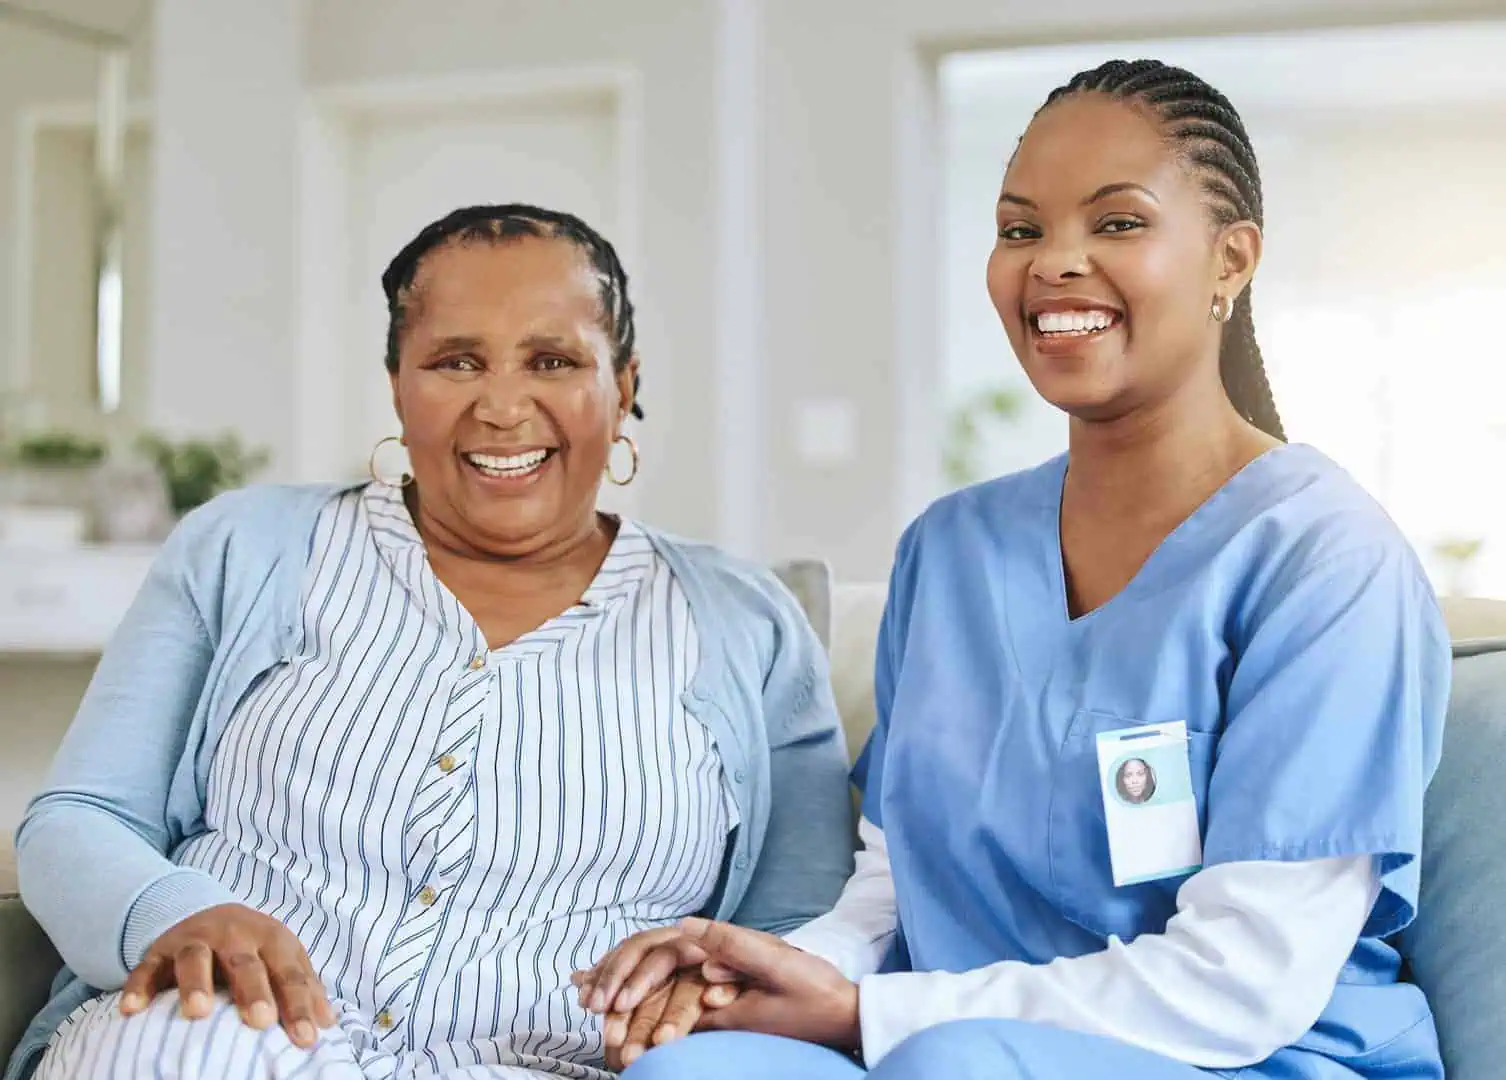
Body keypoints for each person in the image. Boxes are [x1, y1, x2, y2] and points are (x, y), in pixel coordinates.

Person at [574, 60, 1451, 1080]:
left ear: (1231, 259)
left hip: (1243, 1058)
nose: (1053, 264)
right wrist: (771, 977)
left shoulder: (1323, 558)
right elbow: (896, 887)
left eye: (1117, 224)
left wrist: (876, 1014)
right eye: (1021, 229)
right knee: (691, 1070)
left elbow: (1242, 985)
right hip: (934, 1035)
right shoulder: (950, 551)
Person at [3, 204, 853, 1080]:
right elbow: (81, 817)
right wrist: (172, 913)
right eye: (456, 362)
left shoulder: (746, 622)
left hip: (554, 1065)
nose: (502, 406)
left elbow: (800, 921)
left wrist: (698, 995)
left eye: (553, 361)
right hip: (215, 1042)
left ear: (623, 386)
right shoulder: (245, 550)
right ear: (398, 386)